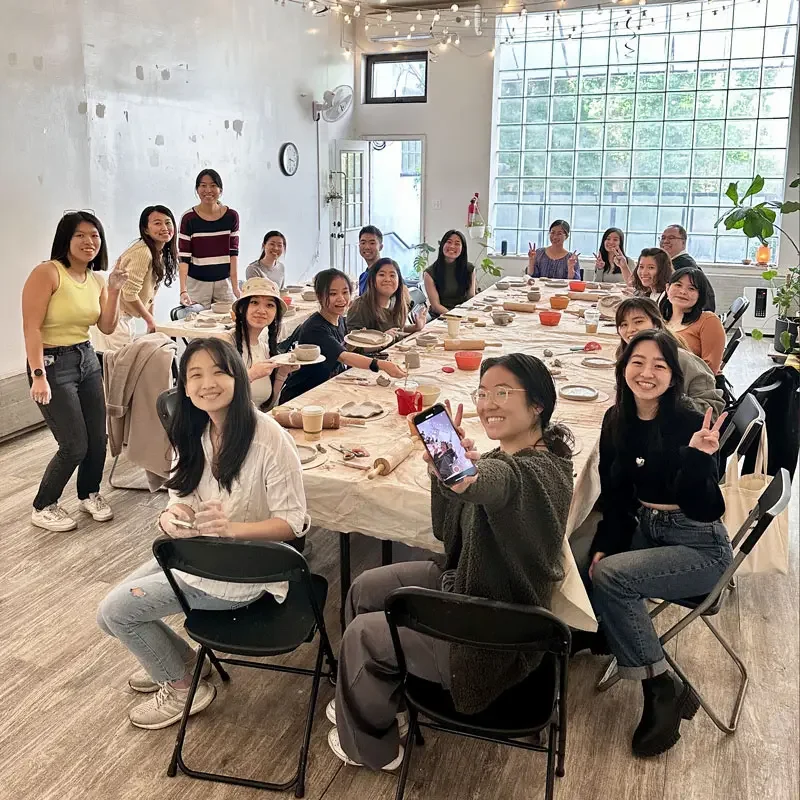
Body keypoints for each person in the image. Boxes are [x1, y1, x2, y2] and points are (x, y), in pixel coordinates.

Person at [326, 354, 575, 770]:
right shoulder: (502, 457)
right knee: (366, 588)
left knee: (364, 636)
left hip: (494, 633)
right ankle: (378, 697)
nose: (488, 403)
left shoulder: (539, 473)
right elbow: (447, 532)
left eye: (502, 392)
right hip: (466, 586)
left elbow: (499, 487)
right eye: (482, 393)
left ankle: (372, 749)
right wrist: (445, 475)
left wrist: (470, 478)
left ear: (537, 406)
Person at [96, 337, 309, 730]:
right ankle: (186, 663)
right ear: (184, 384)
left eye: (218, 372)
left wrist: (232, 529)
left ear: (238, 378)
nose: (206, 383)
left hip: (245, 573)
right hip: (200, 554)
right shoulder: (193, 431)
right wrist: (173, 514)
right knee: (108, 616)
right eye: (195, 374)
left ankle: (182, 687)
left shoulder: (269, 438)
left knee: (117, 611)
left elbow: (292, 522)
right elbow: (181, 496)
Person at [576, 330, 731, 758]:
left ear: (673, 375)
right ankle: (599, 633)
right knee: (581, 551)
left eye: (659, 365)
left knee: (610, 576)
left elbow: (705, 508)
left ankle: (661, 686)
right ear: (623, 366)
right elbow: (618, 498)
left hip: (699, 545)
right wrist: (607, 542)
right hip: (648, 525)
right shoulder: (616, 419)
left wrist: (700, 460)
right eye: (637, 362)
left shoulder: (688, 420)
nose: (646, 373)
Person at [22, 211, 128, 532]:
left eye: (94, 235)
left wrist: (115, 288)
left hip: (86, 358)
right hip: (52, 364)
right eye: (80, 235)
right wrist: (38, 374)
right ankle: (43, 505)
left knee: (98, 437)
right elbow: (31, 327)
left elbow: (106, 325)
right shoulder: (48, 273)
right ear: (66, 239)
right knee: (74, 443)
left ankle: (89, 493)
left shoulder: (96, 280)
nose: (88, 242)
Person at [280, 269, 406, 404]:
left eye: (345, 292)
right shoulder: (315, 328)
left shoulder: (339, 320)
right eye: (332, 293)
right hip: (301, 396)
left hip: (325, 388)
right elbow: (344, 357)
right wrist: (381, 365)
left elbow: (341, 348)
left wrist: (358, 340)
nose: (341, 298)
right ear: (319, 295)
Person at [615, 298, 724, 419]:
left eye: (638, 322)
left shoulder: (681, 358)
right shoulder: (626, 354)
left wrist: (666, 398)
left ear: (656, 324)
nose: (630, 329)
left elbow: (712, 410)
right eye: (623, 324)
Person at [97, 205, 178, 350]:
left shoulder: (159, 253)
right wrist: (149, 320)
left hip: (125, 317)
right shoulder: (143, 252)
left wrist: (152, 321)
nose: (165, 227)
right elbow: (129, 292)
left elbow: (151, 292)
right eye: (157, 223)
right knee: (119, 367)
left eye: (168, 222)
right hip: (117, 317)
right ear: (146, 229)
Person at [229, 277, 298, 409]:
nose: (261, 310)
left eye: (270, 305)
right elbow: (215, 395)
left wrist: (282, 374)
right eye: (254, 302)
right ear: (242, 308)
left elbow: (267, 408)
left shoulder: (265, 349)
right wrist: (251, 375)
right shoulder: (226, 343)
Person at [178, 169, 240, 307]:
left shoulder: (231, 216)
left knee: (228, 322)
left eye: (213, 185)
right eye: (203, 185)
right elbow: (183, 257)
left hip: (224, 282)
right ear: (197, 189)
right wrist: (183, 290)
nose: (208, 190)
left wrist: (235, 287)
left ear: (220, 189)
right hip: (197, 284)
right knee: (195, 323)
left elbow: (233, 253)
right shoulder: (188, 218)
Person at [659, 268, 726, 374]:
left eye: (691, 288)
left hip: (690, 386)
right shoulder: (659, 320)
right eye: (678, 285)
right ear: (667, 288)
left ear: (700, 295)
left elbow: (709, 369)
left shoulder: (708, 321)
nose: (683, 292)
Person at [347, 258, 426, 339]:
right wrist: (382, 339)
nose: (388, 279)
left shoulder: (396, 302)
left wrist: (416, 327)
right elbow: (353, 345)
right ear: (373, 279)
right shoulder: (360, 306)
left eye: (392, 275)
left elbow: (397, 330)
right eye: (382, 275)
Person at [658, 225, 715, 311]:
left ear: (683, 243)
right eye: (663, 238)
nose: (665, 241)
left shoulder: (683, 265)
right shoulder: (677, 261)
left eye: (671, 238)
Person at [423, 230, 476, 316]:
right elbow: (436, 306)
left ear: (463, 249)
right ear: (442, 245)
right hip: (441, 316)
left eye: (457, 243)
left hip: (464, 314)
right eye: (449, 242)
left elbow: (471, 297)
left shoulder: (469, 269)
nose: (452, 246)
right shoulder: (430, 273)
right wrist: (455, 317)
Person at [357, 226, 383, 295]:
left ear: (381, 247)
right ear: (359, 246)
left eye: (372, 243)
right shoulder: (363, 276)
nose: (367, 247)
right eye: (363, 243)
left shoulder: (386, 273)